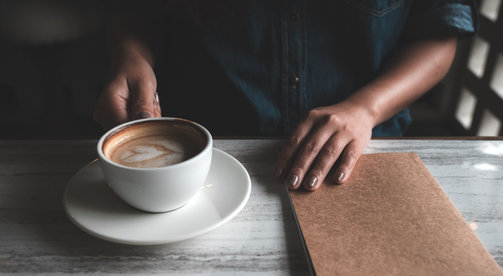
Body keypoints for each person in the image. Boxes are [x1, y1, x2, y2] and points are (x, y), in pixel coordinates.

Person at [94, 0, 477, 191]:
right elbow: (137, 11)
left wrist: (366, 108)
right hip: (203, 156)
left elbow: (439, 29)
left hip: (366, 152)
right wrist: (130, 54)